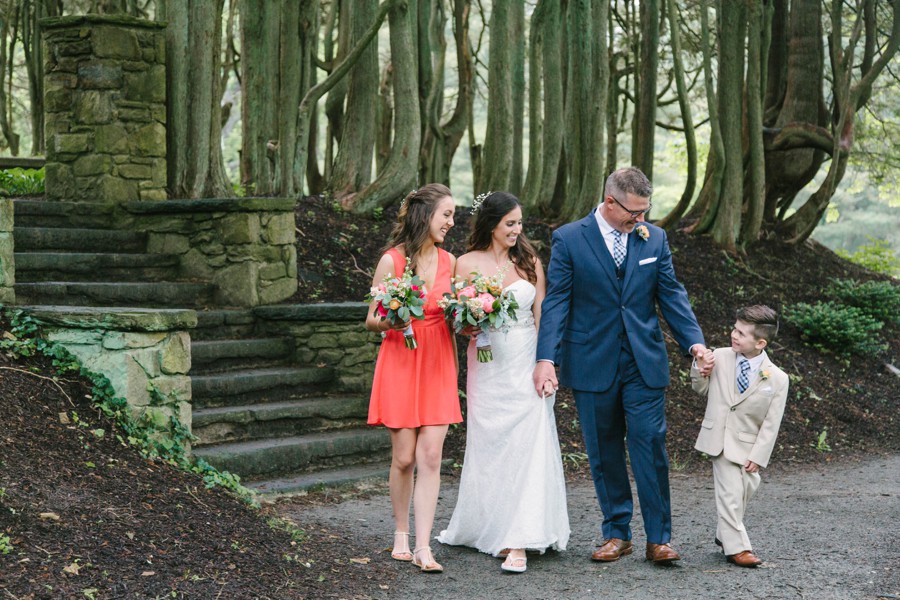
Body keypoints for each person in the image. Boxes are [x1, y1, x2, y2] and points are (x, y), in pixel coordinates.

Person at [533, 166, 712, 565]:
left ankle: (659, 538)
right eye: (634, 213)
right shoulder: (569, 238)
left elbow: (671, 294)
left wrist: (695, 344)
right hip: (591, 359)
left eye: (645, 212)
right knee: (603, 450)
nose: (641, 220)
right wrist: (547, 358)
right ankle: (617, 532)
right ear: (610, 202)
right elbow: (557, 302)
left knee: (650, 444)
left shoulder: (655, 239)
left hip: (643, 361)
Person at [437, 192, 570, 574]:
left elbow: (544, 314)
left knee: (529, 445)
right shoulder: (464, 264)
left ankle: (519, 539)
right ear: (491, 223)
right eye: (510, 223)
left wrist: (548, 364)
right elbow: (456, 319)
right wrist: (467, 323)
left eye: (520, 224)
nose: (516, 230)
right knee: (491, 445)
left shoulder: (528, 262)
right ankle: (491, 527)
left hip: (526, 362)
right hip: (487, 364)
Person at [366, 184, 461, 574]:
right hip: (402, 360)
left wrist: (469, 319)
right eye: (447, 215)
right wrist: (395, 318)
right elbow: (372, 318)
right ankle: (401, 534)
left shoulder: (451, 262)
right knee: (404, 458)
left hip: (438, 361)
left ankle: (424, 546)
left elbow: (452, 315)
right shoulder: (392, 261)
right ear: (426, 216)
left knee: (431, 455)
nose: (452, 223)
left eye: (453, 215)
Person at [693, 305, 789, 568]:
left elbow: (771, 423)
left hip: (748, 445)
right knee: (731, 494)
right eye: (735, 329)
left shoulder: (778, 378)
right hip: (720, 438)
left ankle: (723, 534)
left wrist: (758, 456)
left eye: (742, 333)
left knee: (746, 489)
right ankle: (739, 548)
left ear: (760, 342)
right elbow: (700, 388)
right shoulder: (721, 357)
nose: (734, 335)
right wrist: (700, 366)